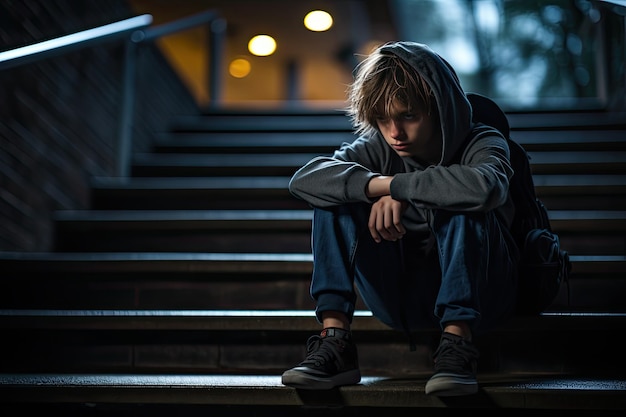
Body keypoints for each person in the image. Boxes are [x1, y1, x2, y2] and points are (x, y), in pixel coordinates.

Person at [280, 41, 520, 396]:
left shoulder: (482, 140)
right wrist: (378, 187)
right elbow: (306, 179)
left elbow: (485, 187)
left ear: (439, 108)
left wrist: (400, 191)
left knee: (461, 200)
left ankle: (458, 343)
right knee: (333, 198)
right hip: (401, 295)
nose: (395, 133)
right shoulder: (380, 146)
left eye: (408, 115)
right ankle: (336, 341)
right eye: (382, 119)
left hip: (484, 293)